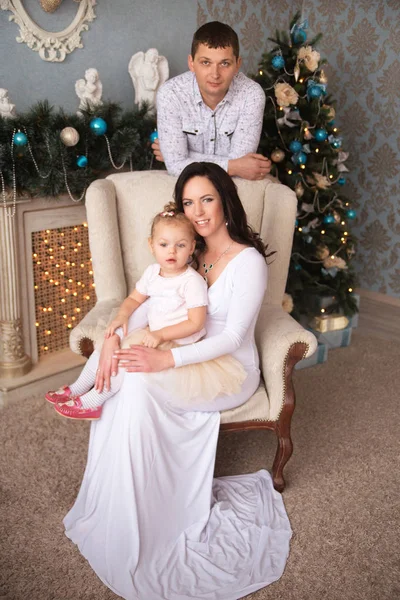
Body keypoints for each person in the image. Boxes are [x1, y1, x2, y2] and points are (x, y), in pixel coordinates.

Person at [63, 162, 292, 600]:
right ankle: (123, 510)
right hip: (183, 355)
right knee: (127, 377)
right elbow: (152, 303)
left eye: (207, 198)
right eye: (189, 202)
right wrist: (116, 333)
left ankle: (158, 520)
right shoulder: (188, 251)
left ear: (226, 198)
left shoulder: (247, 262)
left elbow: (231, 337)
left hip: (230, 370)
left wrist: (163, 361)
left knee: (139, 381)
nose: (199, 211)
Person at [46, 203, 246, 420]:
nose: (171, 251)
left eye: (180, 245)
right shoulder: (152, 273)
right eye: (164, 244)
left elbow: (196, 323)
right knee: (108, 344)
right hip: (152, 334)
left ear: (191, 247)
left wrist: (159, 335)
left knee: (126, 360)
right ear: (151, 245)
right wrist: (122, 316)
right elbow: (134, 298)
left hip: (177, 343)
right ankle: (77, 388)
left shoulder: (192, 282)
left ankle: (94, 400)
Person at [153, 21, 271, 181]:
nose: (215, 74)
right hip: (187, 186)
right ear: (191, 63)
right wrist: (233, 166)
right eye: (206, 62)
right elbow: (239, 166)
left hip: (232, 186)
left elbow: (241, 168)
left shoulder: (251, 95)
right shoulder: (170, 94)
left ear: (237, 65)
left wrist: (183, 157)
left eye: (224, 63)